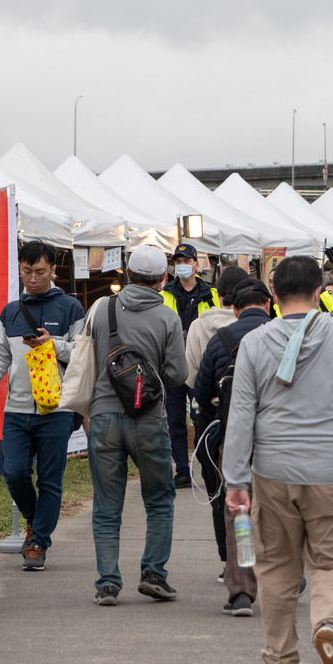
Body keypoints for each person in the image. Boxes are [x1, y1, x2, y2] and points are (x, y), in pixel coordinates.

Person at [223, 256, 333, 664]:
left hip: (272, 472)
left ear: (272, 295)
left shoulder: (254, 343)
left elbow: (240, 416)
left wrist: (236, 482)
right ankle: (330, 628)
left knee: (276, 568)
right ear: (319, 292)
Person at [84, 245, 189, 604]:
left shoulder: (101, 310)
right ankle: (154, 574)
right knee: (159, 499)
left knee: (107, 504)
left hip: (103, 417)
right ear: (164, 279)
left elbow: (87, 357)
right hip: (148, 418)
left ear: (126, 274)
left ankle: (108, 583)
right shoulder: (168, 317)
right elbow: (177, 374)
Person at [0, 240, 87, 572]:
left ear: (54, 270)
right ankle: (34, 518)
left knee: (51, 479)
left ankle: (38, 542)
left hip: (56, 409)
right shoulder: (10, 311)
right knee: (13, 473)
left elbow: (82, 353)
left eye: (40, 271)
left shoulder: (71, 308)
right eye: (27, 272)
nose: (33, 278)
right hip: (16, 409)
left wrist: (50, 343)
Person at [192, 277, 273, 615]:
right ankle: (289, 573)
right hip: (281, 442)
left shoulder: (220, 338)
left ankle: (241, 590)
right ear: (268, 305)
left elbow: (201, 392)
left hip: (235, 439)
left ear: (234, 309)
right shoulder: (284, 335)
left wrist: (216, 431)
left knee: (238, 511)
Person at [161, 242, 222, 488]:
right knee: (175, 420)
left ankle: (206, 462)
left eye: (186, 261)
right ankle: (182, 471)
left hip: (201, 363)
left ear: (197, 265)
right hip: (173, 363)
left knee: (201, 415)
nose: (182, 266)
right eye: (178, 261)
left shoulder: (211, 293)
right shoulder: (164, 293)